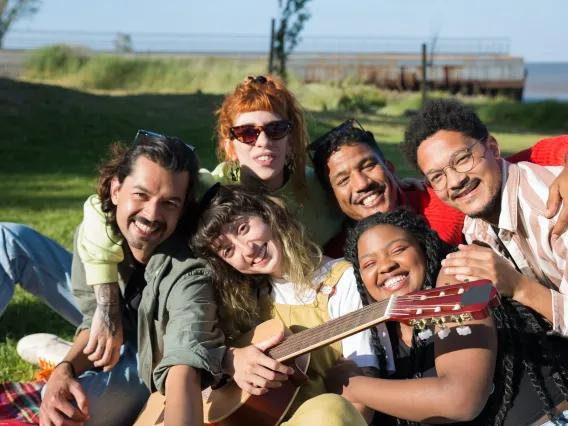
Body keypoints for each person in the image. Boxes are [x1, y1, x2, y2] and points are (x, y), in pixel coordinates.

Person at [54, 75, 346, 372]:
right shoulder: (213, 188)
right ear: (230, 144)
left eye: (276, 129)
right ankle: (76, 346)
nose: (263, 142)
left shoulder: (321, 189)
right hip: (155, 304)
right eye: (247, 133)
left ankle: (67, 352)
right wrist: (107, 309)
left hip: (273, 320)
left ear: (291, 135)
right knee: (10, 240)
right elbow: (97, 208)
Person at [35, 133, 225, 426]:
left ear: (183, 208)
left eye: (169, 203)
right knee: (6, 241)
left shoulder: (189, 268)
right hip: (115, 330)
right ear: (115, 190)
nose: (151, 214)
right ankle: (57, 355)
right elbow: (94, 320)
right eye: (141, 194)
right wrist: (64, 370)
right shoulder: (95, 234)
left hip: (147, 358)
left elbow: (184, 361)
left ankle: (56, 353)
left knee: (71, 414)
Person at [329, 208, 568, 426]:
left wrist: (353, 385)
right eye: (369, 263)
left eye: (398, 250)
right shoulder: (384, 339)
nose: (386, 266)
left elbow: (460, 399)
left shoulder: (456, 277)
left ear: (423, 248)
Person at [191, 186, 392, 425]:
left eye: (243, 228)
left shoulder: (342, 280)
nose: (247, 249)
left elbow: (361, 405)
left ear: (267, 214)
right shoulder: (245, 301)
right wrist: (229, 360)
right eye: (228, 250)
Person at [400, 99, 568, 336]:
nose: (455, 181)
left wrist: (520, 288)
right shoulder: (475, 225)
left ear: (493, 148)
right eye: (438, 176)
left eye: (461, 159)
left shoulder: (554, 209)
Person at [310, 118, 568, 256]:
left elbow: (534, 155)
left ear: (390, 168)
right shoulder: (338, 255)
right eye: (343, 180)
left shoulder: (450, 196)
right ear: (332, 195)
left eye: (368, 166)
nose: (362, 183)